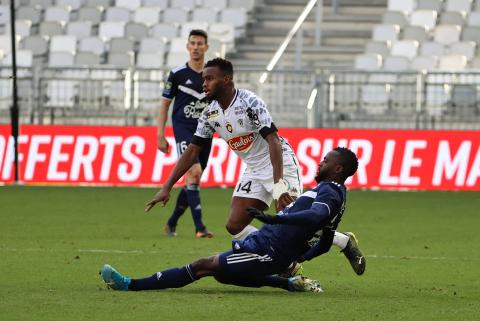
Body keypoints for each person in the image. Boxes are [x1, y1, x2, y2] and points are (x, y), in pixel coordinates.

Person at [146, 58, 365, 276]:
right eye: (203, 78)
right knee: (235, 225)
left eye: (210, 78)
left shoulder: (249, 102)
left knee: (295, 223)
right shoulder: (209, 113)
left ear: (227, 79)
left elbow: (274, 141)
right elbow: (192, 150)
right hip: (253, 168)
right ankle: (284, 262)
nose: (204, 83)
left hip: (280, 163)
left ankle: (342, 240)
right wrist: (167, 187)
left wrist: (279, 186)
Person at [101, 147, 360, 293]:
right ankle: (288, 282)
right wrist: (301, 258)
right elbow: (325, 239)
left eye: (326, 160)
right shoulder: (335, 195)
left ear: (337, 169)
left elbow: (317, 215)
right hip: (265, 245)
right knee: (223, 276)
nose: (320, 161)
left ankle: (129, 285)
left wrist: (276, 220)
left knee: (204, 266)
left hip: (267, 251)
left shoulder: (329, 192)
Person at [157, 29, 213, 238]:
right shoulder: (177, 74)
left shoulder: (211, 74)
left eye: (200, 44)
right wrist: (160, 135)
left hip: (206, 131)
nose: (196, 47)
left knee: (193, 180)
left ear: (206, 47)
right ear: (187, 47)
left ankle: (171, 223)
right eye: (193, 43)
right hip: (183, 130)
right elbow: (164, 104)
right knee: (194, 172)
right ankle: (200, 227)